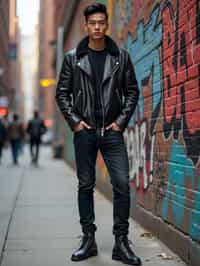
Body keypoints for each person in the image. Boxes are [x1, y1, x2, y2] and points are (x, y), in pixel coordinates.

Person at [56, 3, 141, 265]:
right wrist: (76, 123)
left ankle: (121, 242)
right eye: (92, 23)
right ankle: (88, 239)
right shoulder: (72, 58)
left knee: (122, 185)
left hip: (112, 133)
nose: (97, 27)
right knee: (86, 185)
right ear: (86, 25)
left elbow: (132, 91)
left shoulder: (121, 58)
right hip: (85, 133)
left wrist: (120, 123)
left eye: (101, 22)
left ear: (106, 23)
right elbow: (62, 94)